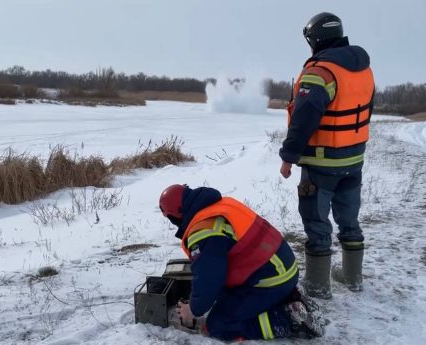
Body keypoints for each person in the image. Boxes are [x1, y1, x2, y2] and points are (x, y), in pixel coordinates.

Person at [279, 12, 375, 299]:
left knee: (316, 222)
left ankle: (318, 286)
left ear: (316, 39)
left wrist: (288, 156)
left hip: (321, 163)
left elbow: (304, 117)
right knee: (350, 220)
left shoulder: (319, 73)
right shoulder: (363, 70)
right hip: (353, 161)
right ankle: (352, 277)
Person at [159, 184, 324, 340]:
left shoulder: (203, 231)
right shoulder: (218, 206)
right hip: (281, 268)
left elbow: (210, 278)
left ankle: (286, 319)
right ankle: (288, 298)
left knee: (218, 325)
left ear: (175, 216)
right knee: (223, 299)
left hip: (270, 279)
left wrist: (193, 310)